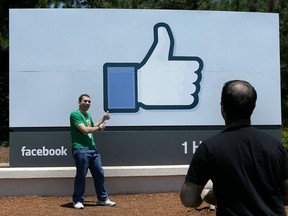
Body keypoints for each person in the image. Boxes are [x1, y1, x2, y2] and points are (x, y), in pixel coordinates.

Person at [180, 80, 288, 215]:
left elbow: (189, 199)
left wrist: (207, 195)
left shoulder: (209, 148)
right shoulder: (275, 146)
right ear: (253, 106)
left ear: (222, 107)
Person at [70, 93, 116, 209]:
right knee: (81, 175)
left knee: (99, 173)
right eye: (85, 101)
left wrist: (103, 119)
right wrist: (99, 129)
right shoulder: (75, 114)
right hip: (80, 149)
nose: (87, 103)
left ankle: (103, 199)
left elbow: (92, 125)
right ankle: (77, 200)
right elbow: (84, 130)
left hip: (92, 149)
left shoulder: (87, 115)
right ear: (79, 102)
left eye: (89, 101)